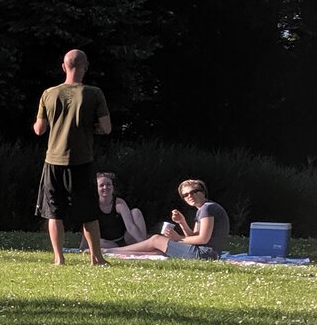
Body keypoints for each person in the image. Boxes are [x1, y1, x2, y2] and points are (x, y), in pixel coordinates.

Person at [33, 48, 113, 265]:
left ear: (63, 67)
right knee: (88, 211)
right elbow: (106, 128)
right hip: (82, 161)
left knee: (54, 211)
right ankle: (96, 258)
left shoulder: (49, 94)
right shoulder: (94, 93)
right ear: (85, 67)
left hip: (53, 161)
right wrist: (87, 128)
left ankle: (59, 259)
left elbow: (39, 129)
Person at [106, 179, 228, 259]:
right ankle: (113, 253)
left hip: (205, 254)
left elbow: (203, 239)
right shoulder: (203, 209)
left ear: (203, 192)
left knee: (156, 240)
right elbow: (194, 237)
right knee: (158, 251)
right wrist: (182, 222)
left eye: (194, 192)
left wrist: (178, 238)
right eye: (185, 195)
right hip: (207, 254)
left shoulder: (208, 209)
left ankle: (111, 250)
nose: (189, 196)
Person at [95, 171, 148, 246]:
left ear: (113, 187)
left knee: (136, 212)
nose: (105, 187)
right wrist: (82, 248)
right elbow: (88, 228)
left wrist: (143, 243)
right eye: (101, 185)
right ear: (96, 188)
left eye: (108, 184)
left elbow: (130, 226)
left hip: (124, 239)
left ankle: (144, 244)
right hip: (106, 242)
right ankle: (119, 250)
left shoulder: (119, 203)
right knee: (97, 242)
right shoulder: (93, 205)